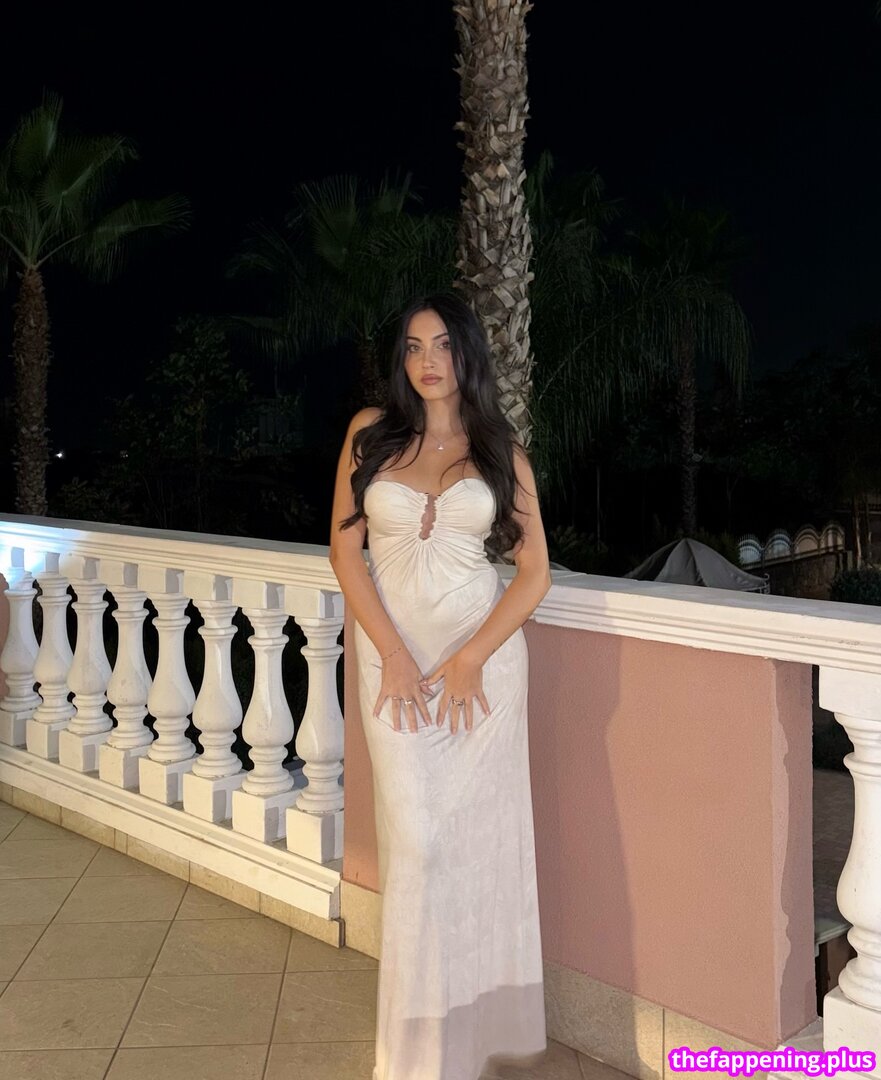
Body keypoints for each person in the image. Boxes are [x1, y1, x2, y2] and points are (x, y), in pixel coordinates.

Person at [329, 292, 552, 1080]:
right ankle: (418, 1052)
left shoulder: (498, 450)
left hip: (478, 677)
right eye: (415, 346)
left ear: (468, 354)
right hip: (392, 673)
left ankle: (478, 1033)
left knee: (476, 848)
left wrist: (470, 659)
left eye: (444, 345)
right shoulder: (369, 434)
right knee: (419, 848)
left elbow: (533, 573)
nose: (428, 361)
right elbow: (345, 553)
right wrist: (390, 652)